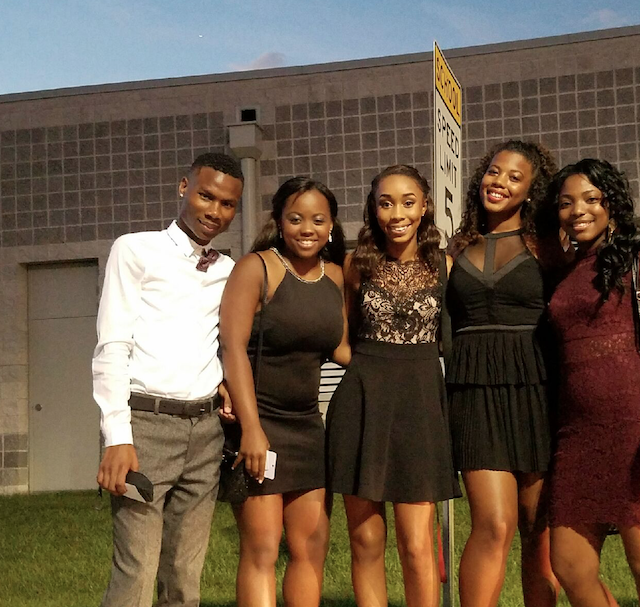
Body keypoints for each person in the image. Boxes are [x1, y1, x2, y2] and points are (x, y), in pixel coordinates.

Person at [93, 152, 244, 607]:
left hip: (206, 434)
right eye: (205, 195)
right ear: (184, 187)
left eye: (227, 204)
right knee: (135, 573)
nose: (214, 211)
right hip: (147, 427)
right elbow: (111, 345)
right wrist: (116, 435)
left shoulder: (228, 270)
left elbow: (223, 342)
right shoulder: (135, 249)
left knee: (184, 576)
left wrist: (225, 383)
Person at [541, 158, 640, 607]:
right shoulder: (565, 270)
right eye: (566, 202)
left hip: (637, 428)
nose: (577, 210)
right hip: (576, 434)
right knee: (569, 564)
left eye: (589, 199)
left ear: (611, 205)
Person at [326, 165, 461, 607]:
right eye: (386, 203)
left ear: (424, 208)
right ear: (374, 210)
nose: (396, 213)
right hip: (361, 407)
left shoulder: (445, 266)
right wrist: (372, 368)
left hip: (421, 408)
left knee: (417, 545)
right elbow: (341, 343)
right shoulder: (354, 265)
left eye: (407, 202)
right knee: (366, 543)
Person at [218, 176, 347, 607]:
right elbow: (232, 347)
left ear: (331, 226)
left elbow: (343, 348)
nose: (306, 228)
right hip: (261, 425)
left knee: (310, 549)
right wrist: (252, 430)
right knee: (263, 549)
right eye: (295, 218)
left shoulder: (337, 277)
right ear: (279, 221)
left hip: (309, 429)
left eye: (317, 219)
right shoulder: (257, 267)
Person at [445, 140, 562, 607]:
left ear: (532, 190)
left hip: (536, 387)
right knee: (494, 523)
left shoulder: (547, 246)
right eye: (495, 172)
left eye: (515, 177)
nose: (500, 182)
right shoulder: (456, 246)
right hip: (473, 390)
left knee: (538, 525)